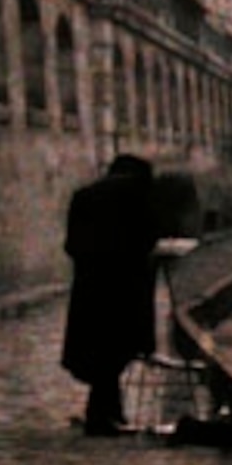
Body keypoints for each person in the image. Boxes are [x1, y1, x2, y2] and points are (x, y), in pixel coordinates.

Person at [61, 153, 160, 434]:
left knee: (99, 350)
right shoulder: (138, 196)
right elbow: (150, 238)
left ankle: (105, 412)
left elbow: (70, 245)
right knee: (116, 349)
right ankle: (101, 417)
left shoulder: (83, 196)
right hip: (125, 287)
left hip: (91, 289)